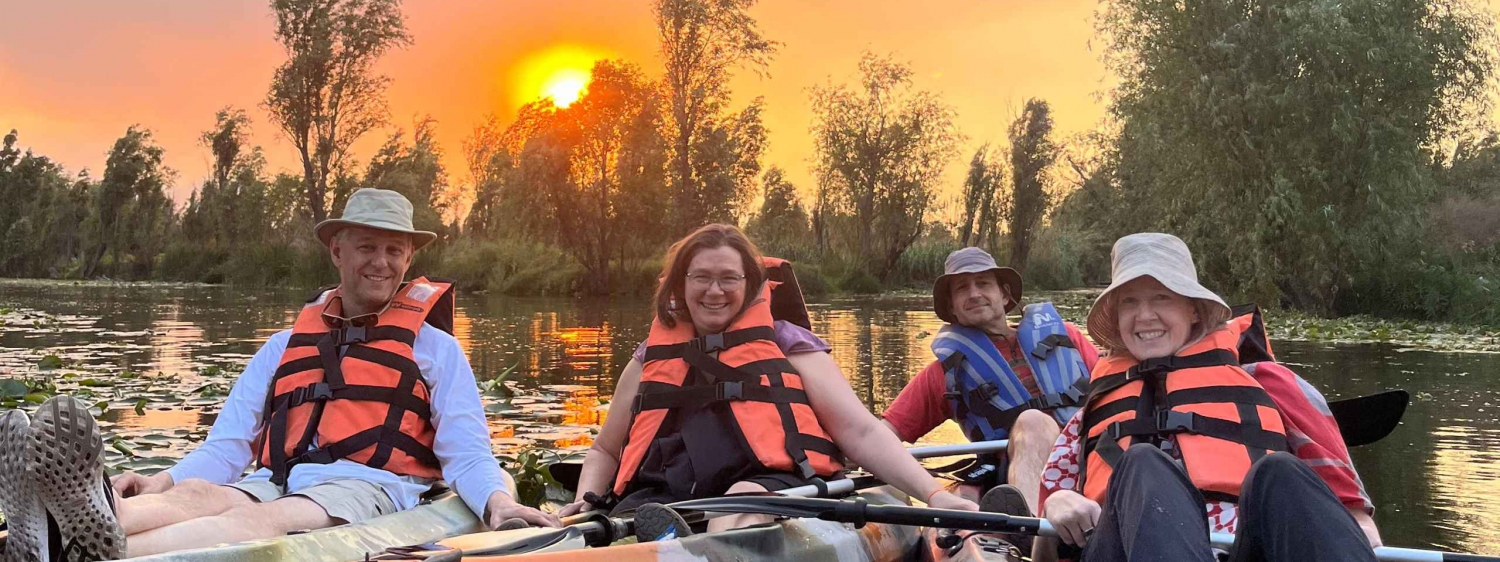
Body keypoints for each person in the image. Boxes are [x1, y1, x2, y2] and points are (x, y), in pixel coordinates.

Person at [0, 188, 556, 562]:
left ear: (409, 257)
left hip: (369, 488)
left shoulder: (436, 350)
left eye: (393, 249)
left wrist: (498, 503)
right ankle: (69, 521)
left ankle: (100, 550)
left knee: (270, 523)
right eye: (367, 247)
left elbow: (469, 453)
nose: (381, 262)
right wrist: (162, 480)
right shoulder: (283, 346)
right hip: (277, 477)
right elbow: (228, 446)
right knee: (199, 492)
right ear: (337, 250)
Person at [560, 224, 979, 538]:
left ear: (752, 284)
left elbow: (860, 430)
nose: (715, 290)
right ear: (679, 285)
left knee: (737, 503)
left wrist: (934, 493)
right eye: (701, 277)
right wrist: (583, 506)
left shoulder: (789, 343)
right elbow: (605, 449)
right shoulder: (648, 358)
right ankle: (662, 539)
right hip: (666, 496)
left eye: (729, 278)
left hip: (771, 483)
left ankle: (697, 543)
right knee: (631, 519)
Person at [1038, 233, 1380, 562]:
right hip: (1120, 550)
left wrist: (1359, 523)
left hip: (1241, 548)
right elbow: (1045, 550)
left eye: (1162, 297)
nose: (1144, 315)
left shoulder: (1265, 382)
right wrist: (1057, 503)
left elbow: (1343, 495)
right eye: (1129, 301)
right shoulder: (1094, 408)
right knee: (1142, 461)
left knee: (1280, 470)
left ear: (1194, 311)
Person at [883, 247, 1097, 522]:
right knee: (1033, 421)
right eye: (962, 289)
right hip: (1007, 471)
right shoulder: (943, 373)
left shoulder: (1066, 337)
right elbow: (882, 434)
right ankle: (1031, 528)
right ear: (952, 307)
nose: (974, 294)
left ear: (1004, 295)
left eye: (983, 283)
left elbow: (1111, 391)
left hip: (1088, 451)